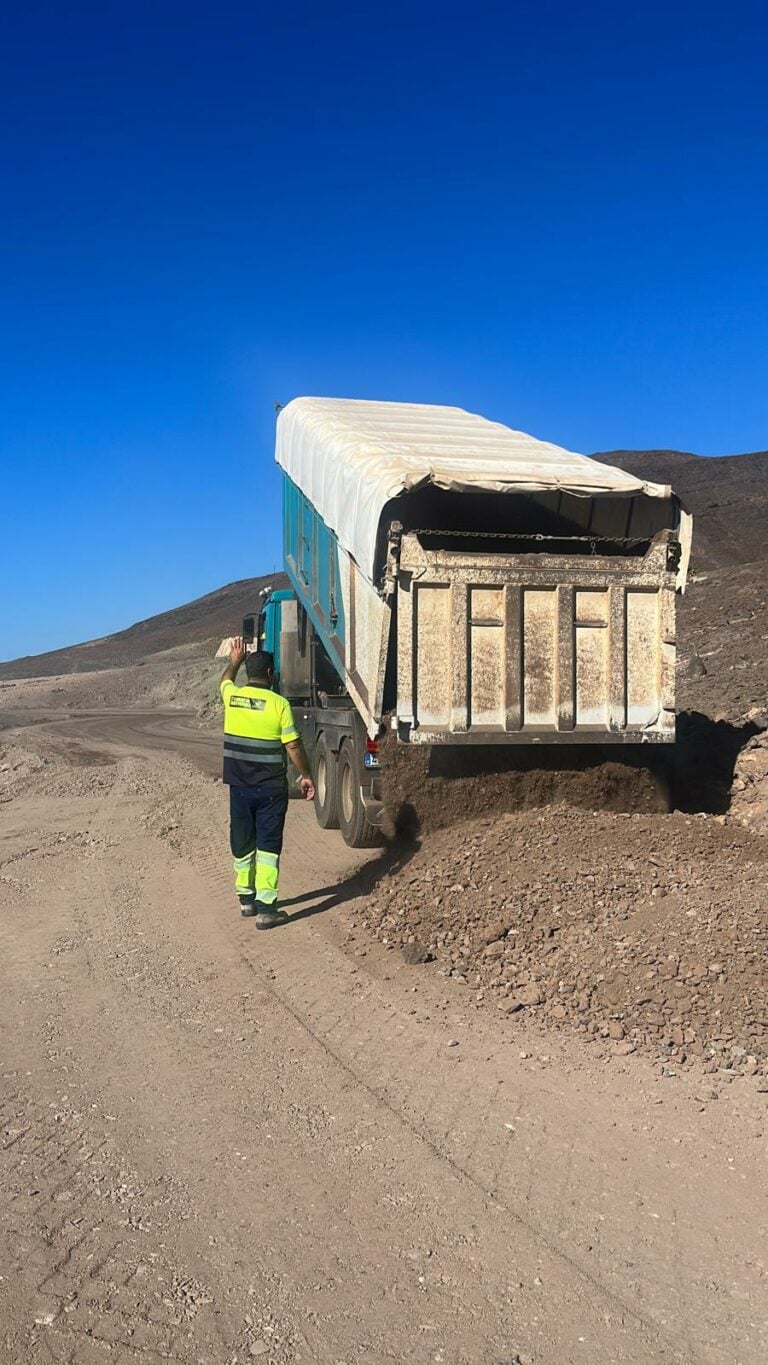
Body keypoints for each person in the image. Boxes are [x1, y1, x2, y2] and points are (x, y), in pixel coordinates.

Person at [220, 636, 315, 928]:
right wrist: (306, 774)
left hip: (239, 786)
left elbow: (224, 681)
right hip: (271, 787)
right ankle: (266, 908)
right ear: (271, 674)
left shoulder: (232, 697)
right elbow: (294, 746)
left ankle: (246, 899)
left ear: (248, 672)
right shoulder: (279, 704)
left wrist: (233, 662)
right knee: (268, 845)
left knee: (243, 841)